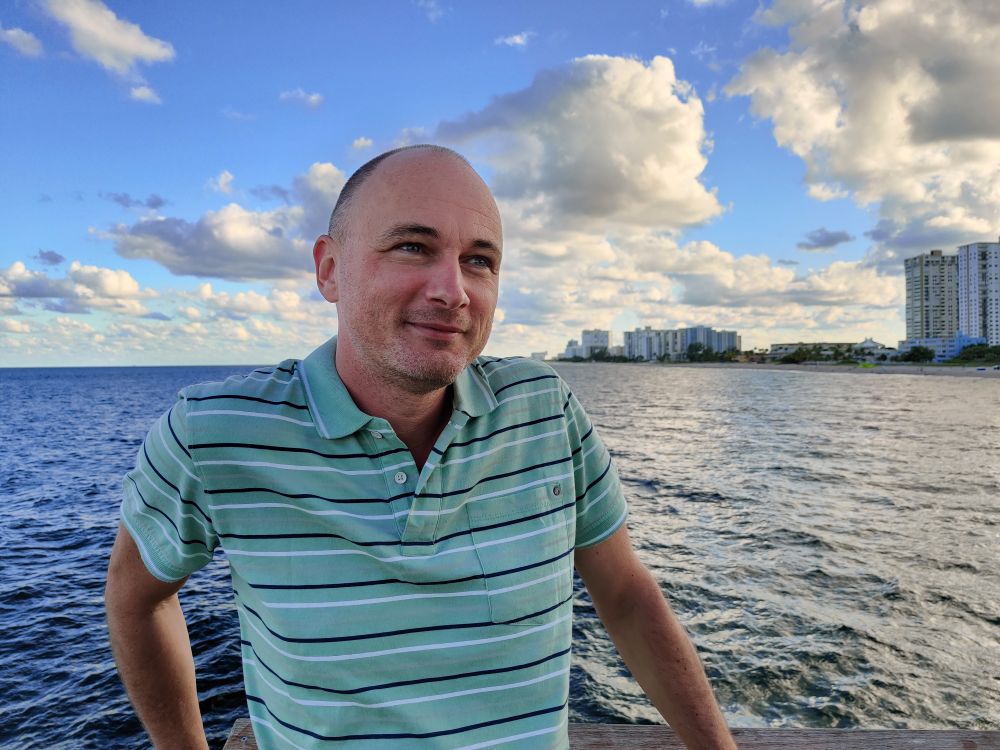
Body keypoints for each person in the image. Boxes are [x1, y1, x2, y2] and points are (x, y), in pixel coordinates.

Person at [105, 145, 737, 750]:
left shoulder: (545, 410)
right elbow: (137, 599)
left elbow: (626, 596)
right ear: (329, 268)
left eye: (480, 260)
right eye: (413, 246)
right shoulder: (214, 433)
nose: (453, 290)